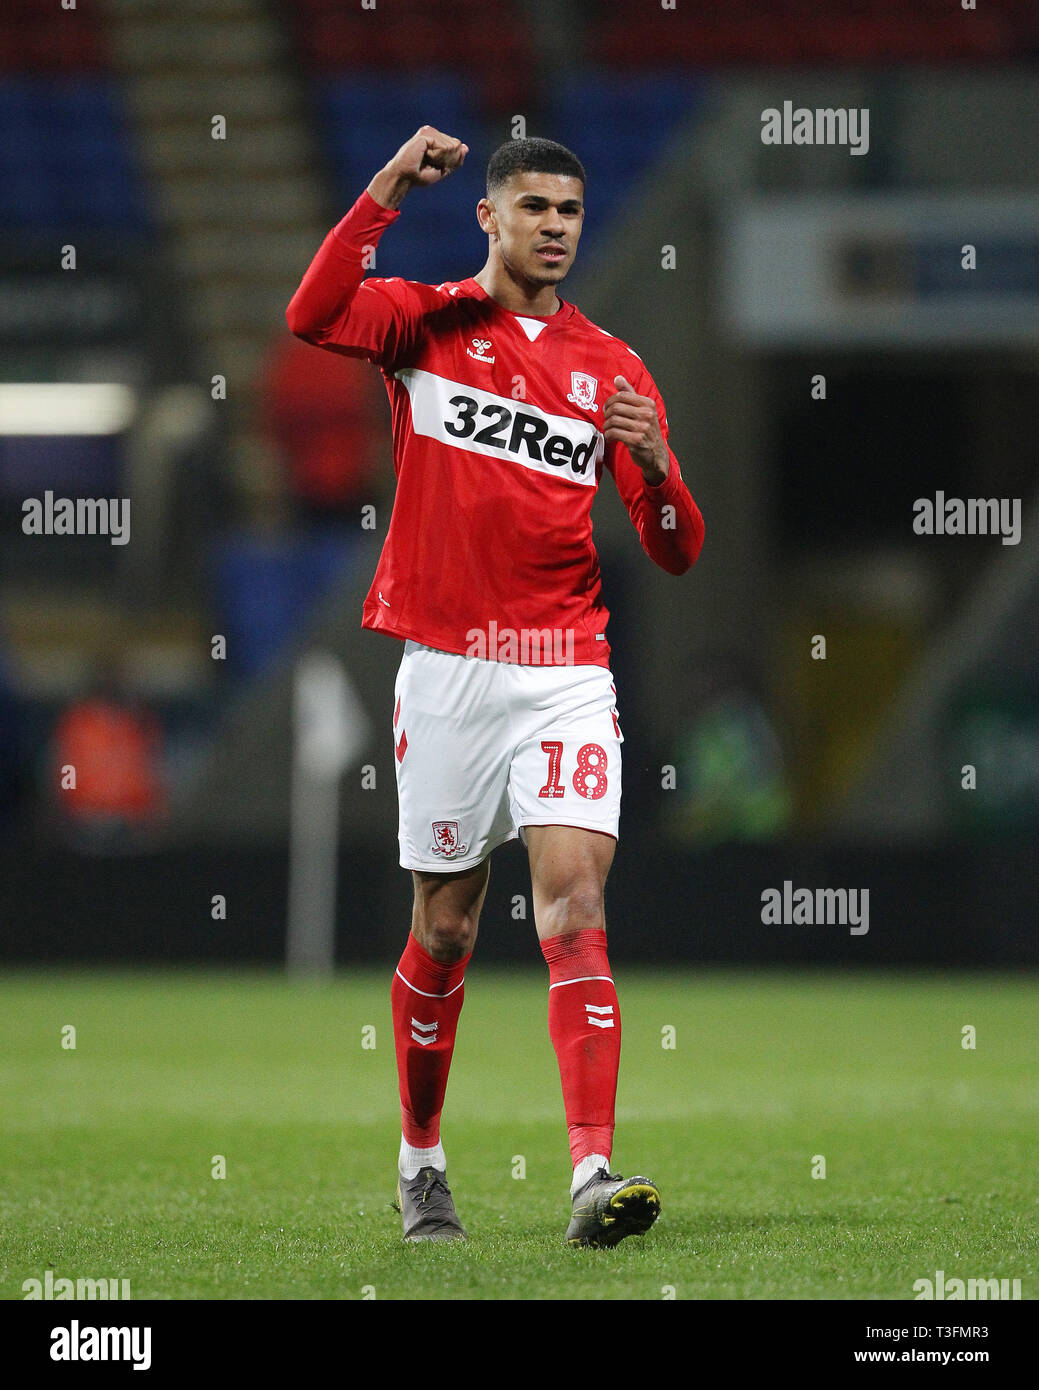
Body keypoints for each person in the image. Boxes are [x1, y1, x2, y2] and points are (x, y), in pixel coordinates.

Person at [286, 128, 705, 1246]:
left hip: (564, 666)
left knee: (574, 904)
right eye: (534, 207)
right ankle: (421, 1161)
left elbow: (674, 551)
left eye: (569, 210)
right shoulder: (423, 322)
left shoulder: (612, 367)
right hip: (447, 666)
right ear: (489, 216)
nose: (555, 226)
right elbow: (312, 315)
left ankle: (590, 1175)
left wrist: (656, 467)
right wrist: (383, 189)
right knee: (447, 926)